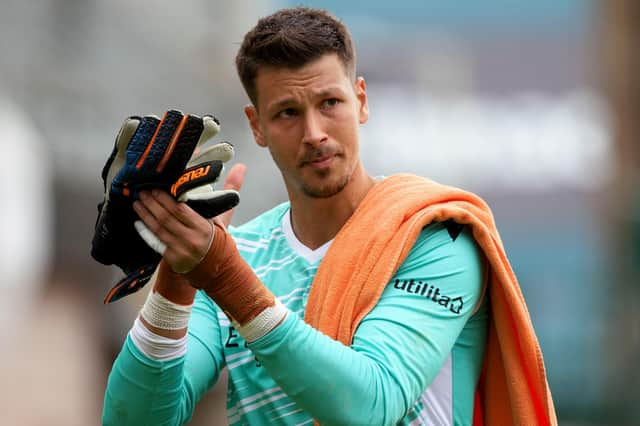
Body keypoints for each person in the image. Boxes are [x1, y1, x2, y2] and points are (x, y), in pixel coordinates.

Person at [102, 7, 555, 425]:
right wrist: (177, 276)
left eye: (330, 104)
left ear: (360, 100)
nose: (314, 133)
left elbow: (369, 405)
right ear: (256, 125)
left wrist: (223, 276)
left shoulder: (435, 235)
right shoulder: (238, 253)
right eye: (287, 113)